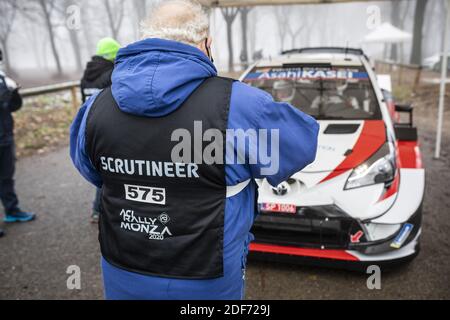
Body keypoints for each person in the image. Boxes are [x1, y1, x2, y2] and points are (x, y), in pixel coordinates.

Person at [70, 0, 319, 300]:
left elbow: (90, 170)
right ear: (206, 44)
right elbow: (300, 145)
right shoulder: (239, 105)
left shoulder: (96, 107)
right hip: (207, 280)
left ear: (147, 39)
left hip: (123, 272)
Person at [80, 37, 120, 222]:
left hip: (89, 126)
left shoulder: (86, 76)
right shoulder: (111, 74)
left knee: (101, 168)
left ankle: (97, 210)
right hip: (109, 126)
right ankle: (102, 210)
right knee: (111, 168)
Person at [0, 49, 35, 238]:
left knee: (7, 176)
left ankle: (12, 211)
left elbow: (11, 107)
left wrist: (14, 95)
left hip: (5, 135)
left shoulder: (2, 77)